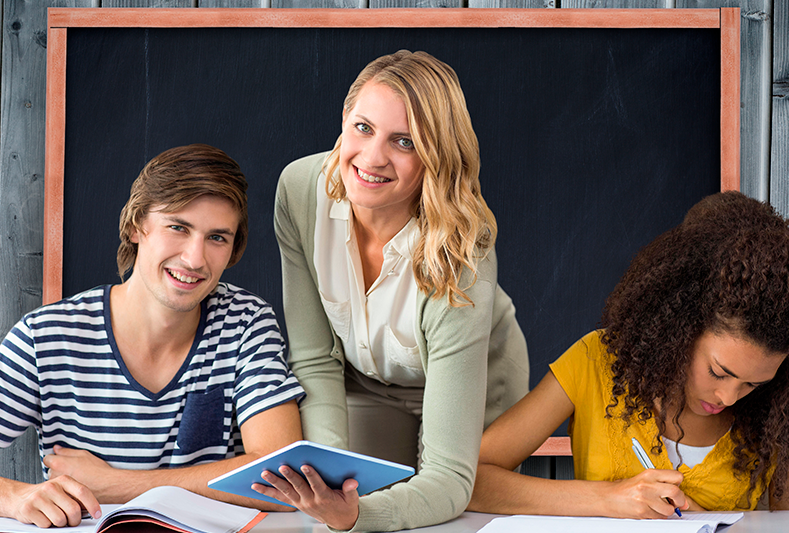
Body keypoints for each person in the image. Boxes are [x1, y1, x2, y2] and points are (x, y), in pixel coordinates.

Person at [262, 50, 530, 531]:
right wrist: (323, 478)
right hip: (367, 385)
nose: (372, 157)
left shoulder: (462, 255)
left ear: (435, 156)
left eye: (404, 142)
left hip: (475, 383)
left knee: (454, 513)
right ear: (345, 119)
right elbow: (315, 357)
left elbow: (448, 479)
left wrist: (357, 515)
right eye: (363, 128)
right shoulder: (299, 189)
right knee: (325, 508)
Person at [0, 144, 305, 527]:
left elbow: (283, 476)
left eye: (217, 238)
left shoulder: (245, 322)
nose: (195, 259)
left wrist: (117, 484)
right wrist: (12, 496)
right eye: (178, 227)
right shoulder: (46, 338)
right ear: (138, 225)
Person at [468, 191, 789, 517]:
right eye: (719, 372)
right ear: (681, 326)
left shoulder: (778, 412)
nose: (729, 397)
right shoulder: (596, 361)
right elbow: (467, 482)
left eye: (753, 384)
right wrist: (606, 498)